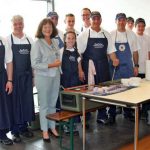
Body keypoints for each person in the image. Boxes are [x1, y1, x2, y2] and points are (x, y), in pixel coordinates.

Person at [77, 11, 119, 124]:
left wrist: (114, 59)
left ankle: (102, 115)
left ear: (101, 20)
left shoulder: (106, 34)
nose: (95, 21)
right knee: (89, 92)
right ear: (90, 20)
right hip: (89, 67)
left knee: (103, 91)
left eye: (97, 19)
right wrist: (80, 70)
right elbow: (79, 54)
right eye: (93, 19)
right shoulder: (83, 35)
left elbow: (111, 51)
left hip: (104, 66)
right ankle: (86, 116)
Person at [31, 18, 61, 142]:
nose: (47, 29)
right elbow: (34, 64)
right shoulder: (37, 43)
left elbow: (58, 57)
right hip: (43, 77)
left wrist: (57, 65)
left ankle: (52, 127)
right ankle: (44, 131)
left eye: (49, 27)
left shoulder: (54, 41)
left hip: (56, 76)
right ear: (41, 29)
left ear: (52, 29)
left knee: (53, 103)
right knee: (44, 105)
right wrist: (51, 65)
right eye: (45, 27)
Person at [7, 15, 35, 143]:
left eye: (20, 23)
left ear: (23, 24)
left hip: (27, 77)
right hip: (13, 78)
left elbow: (33, 61)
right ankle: (15, 131)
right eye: (16, 24)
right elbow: (7, 61)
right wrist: (9, 80)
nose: (18, 26)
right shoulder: (8, 40)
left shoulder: (29, 39)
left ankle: (24, 128)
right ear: (12, 25)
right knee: (14, 104)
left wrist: (33, 76)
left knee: (26, 102)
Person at [110, 13, 139, 120]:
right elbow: (108, 51)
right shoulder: (111, 34)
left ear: (126, 21)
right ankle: (111, 114)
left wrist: (136, 66)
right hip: (115, 67)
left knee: (128, 90)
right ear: (116, 21)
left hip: (128, 67)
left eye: (123, 20)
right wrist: (113, 59)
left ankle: (128, 112)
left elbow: (135, 52)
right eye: (119, 20)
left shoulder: (131, 34)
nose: (121, 22)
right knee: (113, 90)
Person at [60, 31, 83, 134]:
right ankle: (66, 125)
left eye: (72, 38)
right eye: (68, 38)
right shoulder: (61, 51)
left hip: (75, 80)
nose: (70, 40)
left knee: (75, 102)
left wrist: (81, 72)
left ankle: (75, 123)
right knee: (66, 102)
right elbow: (58, 66)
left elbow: (79, 64)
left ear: (75, 40)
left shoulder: (76, 52)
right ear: (65, 40)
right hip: (65, 80)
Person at [135, 18, 150, 121]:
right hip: (136, 68)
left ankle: (145, 111)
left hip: (146, 68)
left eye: (142, 26)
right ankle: (136, 112)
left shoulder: (148, 37)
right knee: (136, 92)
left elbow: (149, 53)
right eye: (139, 26)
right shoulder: (133, 36)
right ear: (136, 27)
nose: (141, 28)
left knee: (146, 91)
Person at [0, 36, 13, 145]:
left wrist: (9, 80)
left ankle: (2, 133)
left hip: (2, 77)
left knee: (3, 107)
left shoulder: (3, 40)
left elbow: (9, 62)